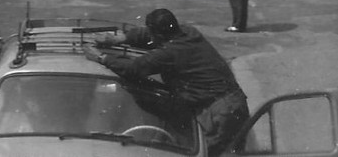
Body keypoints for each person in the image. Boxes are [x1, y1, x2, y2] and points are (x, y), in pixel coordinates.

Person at [83, 8, 250, 157]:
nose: (150, 38)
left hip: (220, 112)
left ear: (159, 35)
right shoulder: (189, 33)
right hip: (231, 104)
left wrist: (101, 57)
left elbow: (134, 68)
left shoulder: (170, 54)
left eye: (153, 35)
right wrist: (122, 38)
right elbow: (147, 35)